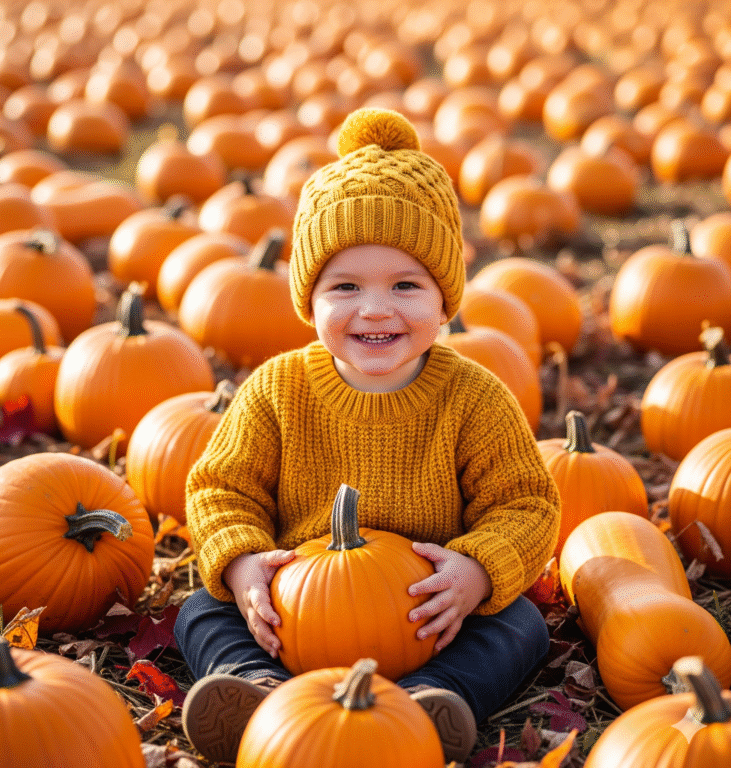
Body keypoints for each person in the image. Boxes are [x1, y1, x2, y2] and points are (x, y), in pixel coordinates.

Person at [175, 106, 561, 765]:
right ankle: (254, 690)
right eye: (345, 285)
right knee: (200, 610)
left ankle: (430, 699)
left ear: (445, 302)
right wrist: (242, 566)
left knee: (519, 624)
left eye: (406, 285)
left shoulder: (474, 397)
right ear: (309, 299)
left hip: (428, 618)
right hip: (294, 617)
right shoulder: (277, 390)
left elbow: (526, 504)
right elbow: (220, 486)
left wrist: (475, 570)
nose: (375, 308)